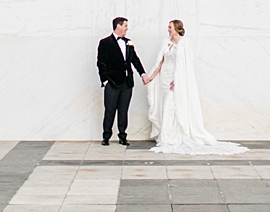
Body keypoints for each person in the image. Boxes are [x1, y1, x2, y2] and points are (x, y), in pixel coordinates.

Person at [145, 20, 247, 155]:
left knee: (172, 105)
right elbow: (160, 61)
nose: (168, 29)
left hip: (176, 80)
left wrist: (178, 80)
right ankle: (167, 135)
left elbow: (186, 65)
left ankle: (171, 137)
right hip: (164, 78)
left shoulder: (184, 43)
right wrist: (151, 77)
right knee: (166, 106)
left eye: (170, 27)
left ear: (176, 28)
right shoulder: (166, 42)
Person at [97, 16, 149, 146]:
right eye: (125, 25)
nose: (127, 28)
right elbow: (101, 63)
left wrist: (142, 74)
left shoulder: (128, 42)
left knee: (123, 110)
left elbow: (135, 59)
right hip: (112, 82)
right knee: (109, 110)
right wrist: (105, 81)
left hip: (127, 83)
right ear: (118, 26)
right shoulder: (105, 42)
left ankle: (122, 136)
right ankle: (106, 136)